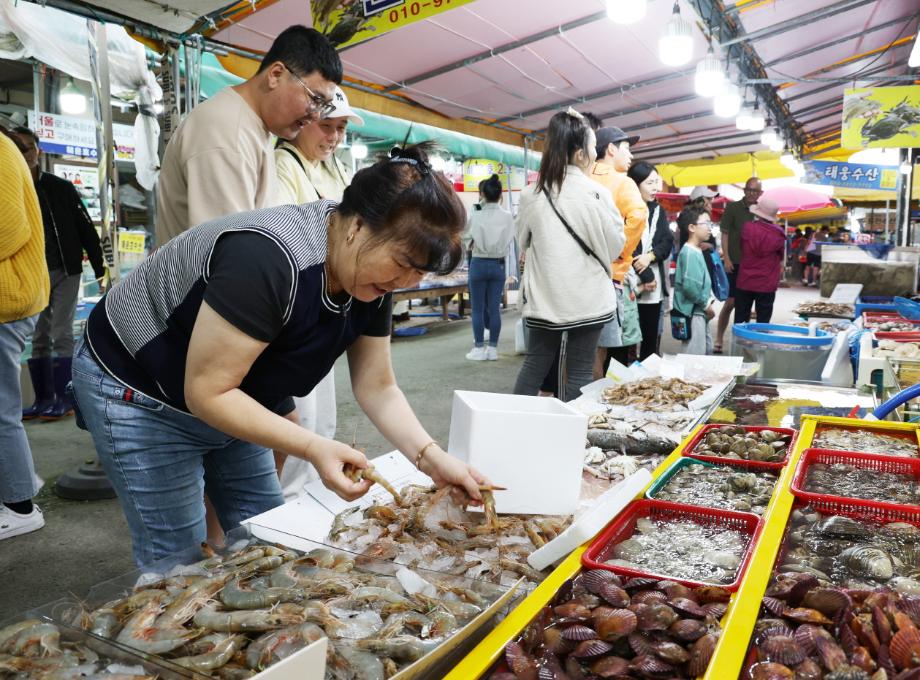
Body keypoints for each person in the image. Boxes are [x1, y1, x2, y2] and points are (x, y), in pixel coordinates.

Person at [72, 143, 489, 569]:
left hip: (230, 386)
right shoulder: (268, 258)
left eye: (416, 273)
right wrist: (314, 446)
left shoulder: (370, 273)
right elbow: (208, 392)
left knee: (264, 537)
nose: (403, 282)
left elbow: (377, 386)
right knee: (178, 562)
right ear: (358, 226)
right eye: (402, 264)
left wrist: (432, 459)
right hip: (138, 385)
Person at [155, 25, 342, 245]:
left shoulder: (254, 128)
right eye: (315, 99)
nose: (316, 115)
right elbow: (226, 253)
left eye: (324, 107)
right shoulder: (226, 131)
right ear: (276, 75)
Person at [272, 86, 363, 501]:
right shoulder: (283, 163)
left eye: (341, 128)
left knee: (323, 408)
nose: (334, 137)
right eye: (327, 126)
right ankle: (290, 495)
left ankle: (316, 487)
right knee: (298, 410)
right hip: (296, 306)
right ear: (304, 121)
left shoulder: (336, 169)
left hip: (330, 306)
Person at [513, 109, 625, 400]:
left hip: (545, 298)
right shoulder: (597, 194)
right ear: (579, 154)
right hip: (588, 299)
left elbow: (521, 240)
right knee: (580, 371)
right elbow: (615, 247)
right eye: (592, 149)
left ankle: (512, 426)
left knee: (534, 365)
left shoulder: (531, 194)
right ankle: (573, 436)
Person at [12, 127, 105, 420]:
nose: (24, 154)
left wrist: (100, 267)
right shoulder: (12, 186)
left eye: (28, 148)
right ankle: (42, 399)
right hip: (32, 273)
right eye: (19, 149)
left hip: (66, 269)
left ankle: (65, 399)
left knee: (61, 332)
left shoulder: (60, 187)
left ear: (37, 150)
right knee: (38, 335)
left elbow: (85, 227)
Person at [0, 129, 50, 540]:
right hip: (15, 295)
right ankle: (19, 486)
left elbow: (8, 227)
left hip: (8, 298)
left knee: (1, 408)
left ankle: (19, 506)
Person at [589, 126, 647, 378]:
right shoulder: (623, 182)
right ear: (611, 149)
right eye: (627, 148)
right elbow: (638, 216)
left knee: (579, 347)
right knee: (599, 348)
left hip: (576, 273)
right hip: (608, 274)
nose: (631, 155)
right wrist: (619, 253)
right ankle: (589, 406)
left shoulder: (581, 176)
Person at [463, 174, 515, 361]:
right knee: (494, 309)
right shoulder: (508, 216)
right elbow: (510, 238)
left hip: (478, 263)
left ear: (482, 194)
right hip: (497, 265)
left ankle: (478, 349)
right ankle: (492, 350)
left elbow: (465, 236)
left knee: (477, 309)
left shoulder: (476, 212)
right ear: (501, 195)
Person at [627, 161, 673, 361]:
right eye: (650, 183)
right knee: (625, 338)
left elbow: (666, 241)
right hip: (630, 282)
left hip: (653, 286)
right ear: (635, 184)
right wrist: (645, 274)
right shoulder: (625, 208)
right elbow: (628, 244)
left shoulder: (657, 210)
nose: (656, 187)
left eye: (657, 182)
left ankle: (645, 379)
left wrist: (650, 256)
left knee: (650, 336)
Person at [713, 177, 761, 354]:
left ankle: (742, 342)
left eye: (755, 191)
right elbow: (724, 234)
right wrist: (726, 258)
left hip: (753, 266)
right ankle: (719, 338)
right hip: (734, 262)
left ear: (760, 193)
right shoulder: (733, 208)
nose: (751, 193)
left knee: (745, 304)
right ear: (744, 190)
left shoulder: (761, 211)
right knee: (731, 302)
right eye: (749, 189)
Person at [735, 198, 785, 325]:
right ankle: (760, 344)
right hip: (767, 282)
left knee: (741, 319)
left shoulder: (747, 228)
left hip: (745, 280)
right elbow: (780, 257)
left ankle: (740, 344)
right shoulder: (778, 234)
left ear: (758, 213)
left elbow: (741, 248)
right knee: (763, 321)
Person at [674, 208, 715, 355]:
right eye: (706, 223)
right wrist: (706, 305)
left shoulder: (694, 250)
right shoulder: (690, 253)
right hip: (693, 314)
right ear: (692, 227)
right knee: (694, 358)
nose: (710, 227)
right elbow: (691, 288)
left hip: (697, 312)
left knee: (703, 352)